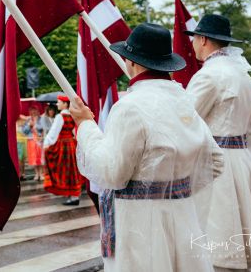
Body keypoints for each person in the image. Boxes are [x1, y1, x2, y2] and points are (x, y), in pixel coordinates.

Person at [70, 23, 224, 271]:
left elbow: (112, 174)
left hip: (139, 223)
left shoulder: (129, 106)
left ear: (132, 62)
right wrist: (174, 190)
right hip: (183, 215)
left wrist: (86, 126)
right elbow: (215, 161)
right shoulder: (182, 100)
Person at [185, 13, 251, 269]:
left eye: (194, 38)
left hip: (215, 163)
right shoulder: (245, 77)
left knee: (216, 240)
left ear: (203, 39)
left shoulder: (208, 76)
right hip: (243, 161)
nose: (192, 43)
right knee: (239, 236)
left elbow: (185, 122)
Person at [42, 95, 82, 205]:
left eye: (59, 102)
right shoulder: (72, 115)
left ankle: (72, 196)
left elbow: (54, 132)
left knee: (65, 170)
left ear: (65, 104)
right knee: (72, 170)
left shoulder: (60, 116)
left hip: (63, 146)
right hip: (71, 144)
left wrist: (47, 144)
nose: (57, 104)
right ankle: (74, 195)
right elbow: (75, 131)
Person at [22, 106, 43, 182]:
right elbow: (24, 131)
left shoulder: (41, 119)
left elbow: (44, 128)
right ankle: (36, 173)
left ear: (38, 111)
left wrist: (36, 126)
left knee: (40, 157)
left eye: (35, 110)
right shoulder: (28, 120)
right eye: (31, 110)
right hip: (31, 141)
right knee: (33, 158)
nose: (33, 112)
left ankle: (41, 173)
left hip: (40, 140)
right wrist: (29, 126)